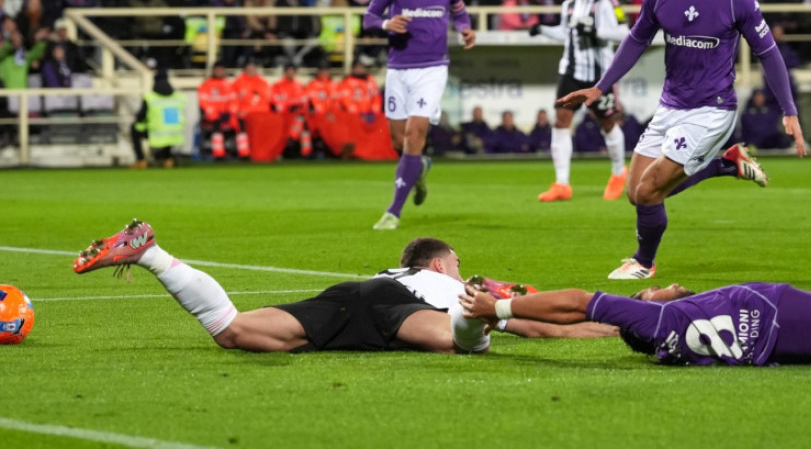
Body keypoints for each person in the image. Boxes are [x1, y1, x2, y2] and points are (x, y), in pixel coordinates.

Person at [461, 12, 811, 367]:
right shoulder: (662, 321)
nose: (665, 289)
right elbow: (583, 306)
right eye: (651, 292)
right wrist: (501, 312)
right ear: (645, 307)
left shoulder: (678, 332)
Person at [559, 0, 806, 280]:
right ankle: (725, 164)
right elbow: (635, 41)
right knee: (635, 192)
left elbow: (768, 53)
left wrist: (789, 110)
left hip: (713, 110)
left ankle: (643, 263)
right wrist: (600, 87)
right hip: (670, 106)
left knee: (649, 191)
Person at [74, 227, 614, 354]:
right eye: (456, 261)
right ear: (437, 261)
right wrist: (612, 325)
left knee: (232, 330)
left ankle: (151, 254)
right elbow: (537, 323)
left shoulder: (393, 271)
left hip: (350, 295)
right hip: (398, 310)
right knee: (462, 338)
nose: (461, 267)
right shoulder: (443, 283)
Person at [362, 0, 476, 230]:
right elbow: (369, 17)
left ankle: (393, 212)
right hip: (399, 68)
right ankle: (420, 167)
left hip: (433, 67)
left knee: (415, 134)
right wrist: (386, 23)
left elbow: (459, 11)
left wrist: (465, 29)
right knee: (399, 141)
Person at [529, 0, 630, 202]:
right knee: (561, 121)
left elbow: (624, 31)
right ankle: (562, 184)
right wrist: (542, 29)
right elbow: (566, 33)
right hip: (571, 72)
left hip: (600, 76)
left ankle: (619, 173)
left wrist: (596, 31)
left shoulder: (609, 2)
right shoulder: (569, 5)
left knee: (607, 123)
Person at [131, 68, 186, 169]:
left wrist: (139, 120)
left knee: (135, 129)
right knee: (167, 132)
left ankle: (141, 160)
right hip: (175, 133)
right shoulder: (178, 97)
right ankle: (168, 159)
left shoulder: (151, 97)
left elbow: (141, 116)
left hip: (156, 132)